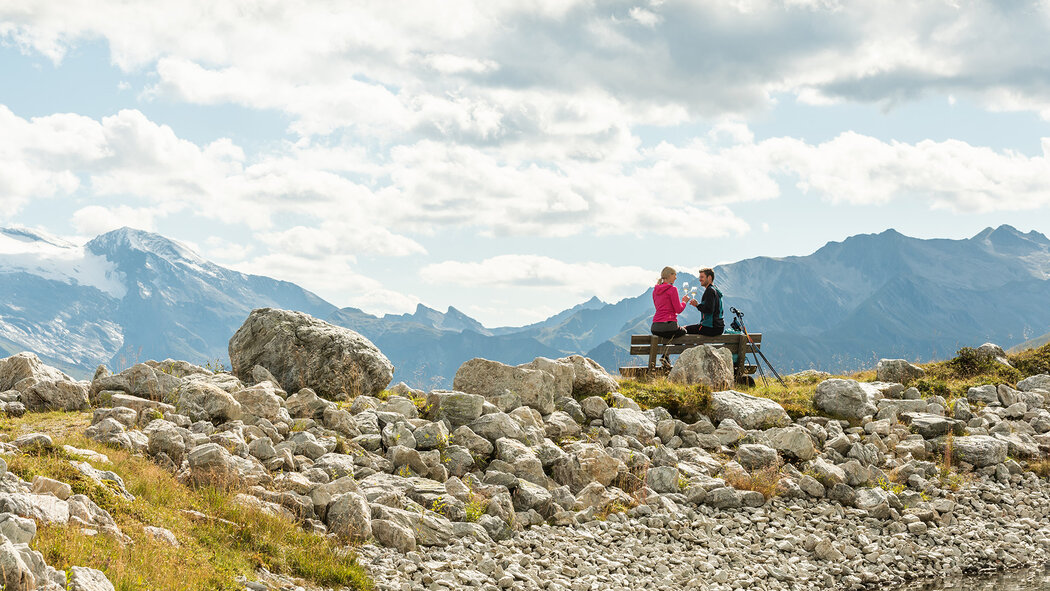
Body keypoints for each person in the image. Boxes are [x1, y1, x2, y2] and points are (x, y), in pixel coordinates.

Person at [651, 267, 694, 367]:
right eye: (674, 275)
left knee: (669, 335)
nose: (676, 277)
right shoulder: (672, 289)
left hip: (655, 327)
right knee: (683, 332)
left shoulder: (655, 291)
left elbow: (659, 308)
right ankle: (671, 357)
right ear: (669, 275)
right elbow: (678, 310)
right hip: (669, 325)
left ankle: (666, 358)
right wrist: (684, 302)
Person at [685, 267, 725, 336]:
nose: (700, 279)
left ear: (709, 277)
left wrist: (697, 305)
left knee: (683, 330)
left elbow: (709, 310)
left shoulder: (710, 290)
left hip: (710, 328)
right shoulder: (716, 290)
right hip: (719, 327)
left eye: (702, 277)